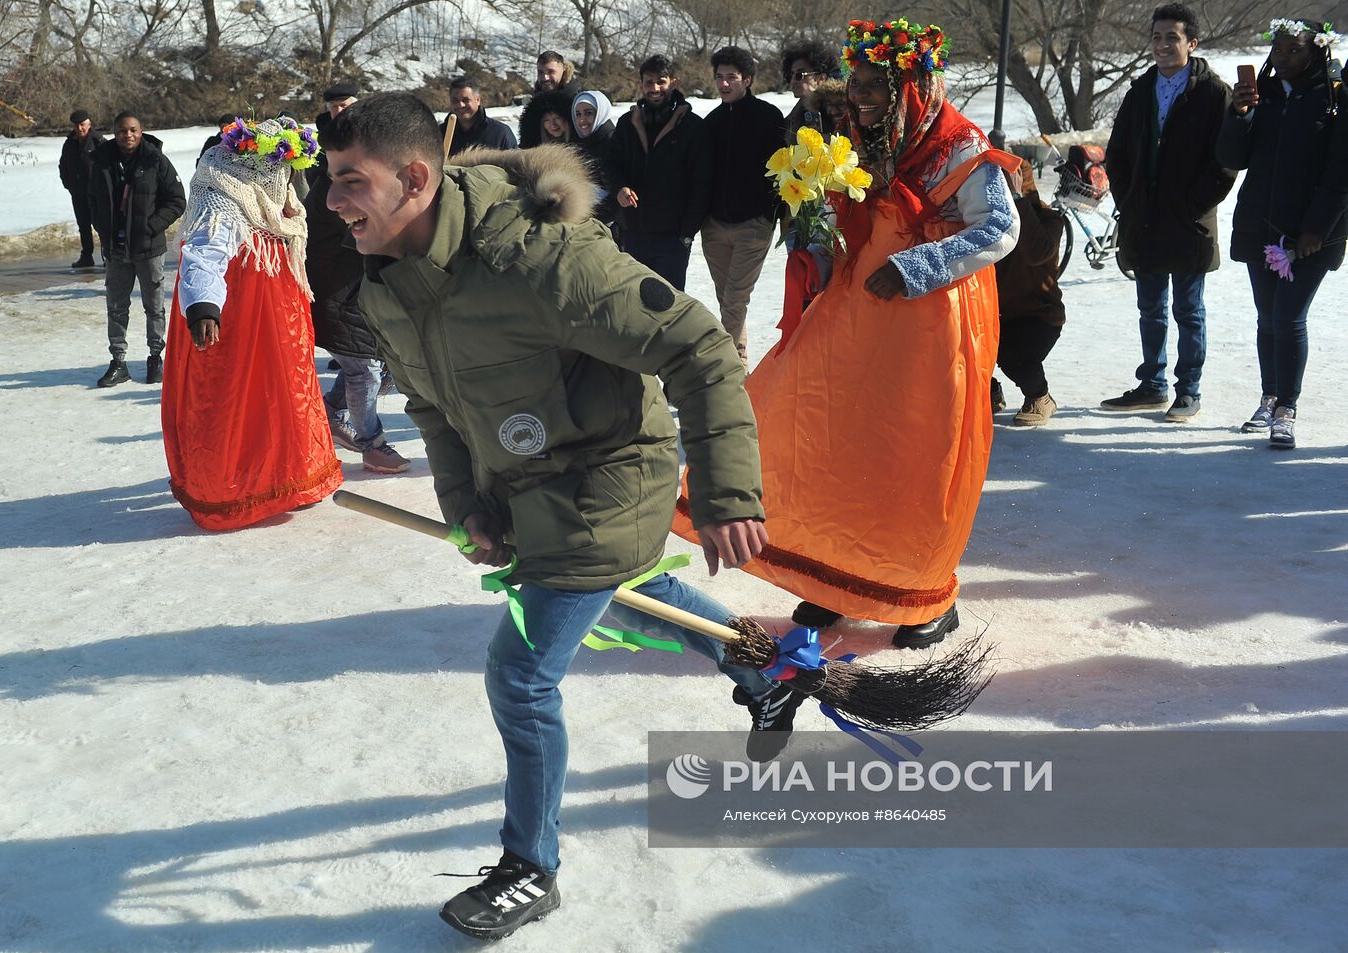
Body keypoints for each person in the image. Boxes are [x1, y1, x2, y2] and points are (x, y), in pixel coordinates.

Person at [323, 91, 801, 940]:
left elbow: (696, 345)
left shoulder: (541, 261)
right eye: (332, 182)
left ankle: (529, 865)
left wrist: (728, 494)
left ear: (415, 178)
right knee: (623, 596)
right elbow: (434, 410)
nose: (333, 202)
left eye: (350, 182)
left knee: (521, 674)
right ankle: (771, 669)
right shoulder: (390, 286)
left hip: (608, 475)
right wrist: (467, 505)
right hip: (521, 483)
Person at [675, 18, 1020, 645]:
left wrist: (919, 264)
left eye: (871, 86)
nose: (858, 96)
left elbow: (1000, 230)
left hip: (933, 330)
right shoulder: (868, 140)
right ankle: (834, 580)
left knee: (912, 457)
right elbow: (850, 212)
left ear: (911, 87)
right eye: (855, 83)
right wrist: (819, 246)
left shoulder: (960, 148)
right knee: (829, 440)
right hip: (857, 315)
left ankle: (920, 597)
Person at [161, 117, 344, 529]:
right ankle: (234, 490)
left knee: (285, 396)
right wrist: (205, 306)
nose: (285, 181)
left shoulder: (277, 208)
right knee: (237, 404)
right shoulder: (224, 200)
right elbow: (205, 255)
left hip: (278, 320)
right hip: (237, 322)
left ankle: (290, 480)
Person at [1100, 4, 1236, 421]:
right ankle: (1153, 385)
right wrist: (1129, 199)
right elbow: (1117, 155)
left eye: (1172, 37)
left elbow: (1226, 162)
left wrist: (1191, 204)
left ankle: (1188, 390)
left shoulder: (1214, 93)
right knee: (1151, 309)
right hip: (1144, 219)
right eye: (1157, 37)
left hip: (1190, 222)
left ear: (1191, 43)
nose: (1162, 45)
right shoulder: (1140, 91)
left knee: (1188, 310)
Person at [1217, 18, 1348, 449]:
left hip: (1312, 233)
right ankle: (1269, 396)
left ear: (1317, 52)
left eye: (1295, 50)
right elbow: (1232, 156)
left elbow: (1340, 172)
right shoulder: (1265, 94)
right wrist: (1239, 114)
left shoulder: (1334, 98)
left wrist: (1316, 229)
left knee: (1289, 318)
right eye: (1279, 49)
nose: (1284, 58)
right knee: (1267, 318)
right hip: (1261, 224)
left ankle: (1286, 408)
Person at [305, 132, 412, 475]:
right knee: (363, 371)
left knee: (372, 366)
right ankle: (372, 445)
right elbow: (363, 235)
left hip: (355, 295)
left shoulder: (353, 185)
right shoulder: (333, 192)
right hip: (335, 295)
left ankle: (331, 412)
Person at [701, 45, 786, 364]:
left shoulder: (768, 117)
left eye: (732, 78)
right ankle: (739, 369)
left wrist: (768, 214)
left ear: (747, 79)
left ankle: (727, 373)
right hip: (715, 226)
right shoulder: (711, 122)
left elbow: (780, 170)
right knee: (728, 302)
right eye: (720, 77)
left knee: (735, 301)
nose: (724, 84)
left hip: (754, 225)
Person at [89, 112, 186, 388]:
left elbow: (177, 200)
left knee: (154, 306)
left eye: (132, 130)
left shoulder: (155, 160)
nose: (127, 135)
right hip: (117, 248)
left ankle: (156, 357)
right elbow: (92, 201)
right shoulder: (102, 161)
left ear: (141, 132)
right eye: (122, 131)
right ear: (114, 132)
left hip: (149, 247)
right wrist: (104, 231)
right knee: (116, 306)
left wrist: (151, 226)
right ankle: (118, 361)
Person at [603, 54, 711, 290]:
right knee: (635, 307)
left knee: (669, 309)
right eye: (648, 82)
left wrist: (687, 233)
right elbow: (611, 165)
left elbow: (702, 184)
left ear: (674, 82)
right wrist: (619, 187)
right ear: (641, 84)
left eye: (661, 81)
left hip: (673, 238)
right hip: (633, 233)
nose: (654, 88)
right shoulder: (627, 123)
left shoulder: (692, 126)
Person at [992, 160, 1066, 426]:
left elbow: (1036, 252)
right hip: (998, 315)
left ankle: (1040, 397)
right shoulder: (985, 221)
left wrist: (1016, 200)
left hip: (1039, 316)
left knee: (1013, 355)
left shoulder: (1050, 220)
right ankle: (988, 392)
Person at [58, 108, 104, 268]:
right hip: (78, 193)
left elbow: (108, 166)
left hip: (97, 194)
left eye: (83, 125)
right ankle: (87, 256)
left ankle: (108, 257)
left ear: (89, 123)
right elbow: (63, 166)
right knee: (83, 225)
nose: (80, 129)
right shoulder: (69, 143)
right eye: (77, 126)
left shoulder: (98, 141)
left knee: (101, 224)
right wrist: (68, 184)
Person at [570, 90, 618, 225]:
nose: (582, 120)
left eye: (589, 113)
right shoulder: (580, 144)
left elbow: (617, 190)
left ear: (601, 112)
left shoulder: (614, 142)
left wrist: (593, 219)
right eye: (578, 114)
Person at [442, 77, 517, 156]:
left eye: (466, 100)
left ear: (478, 100)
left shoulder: (500, 133)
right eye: (455, 101)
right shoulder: (439, 135)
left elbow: (516, 165)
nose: (460, 105)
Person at [782, 40, 838, 138]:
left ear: (821, 78)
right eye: (791, 76)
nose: (793, 81)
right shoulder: (793, 118)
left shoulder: (840, 112)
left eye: (800, 75)